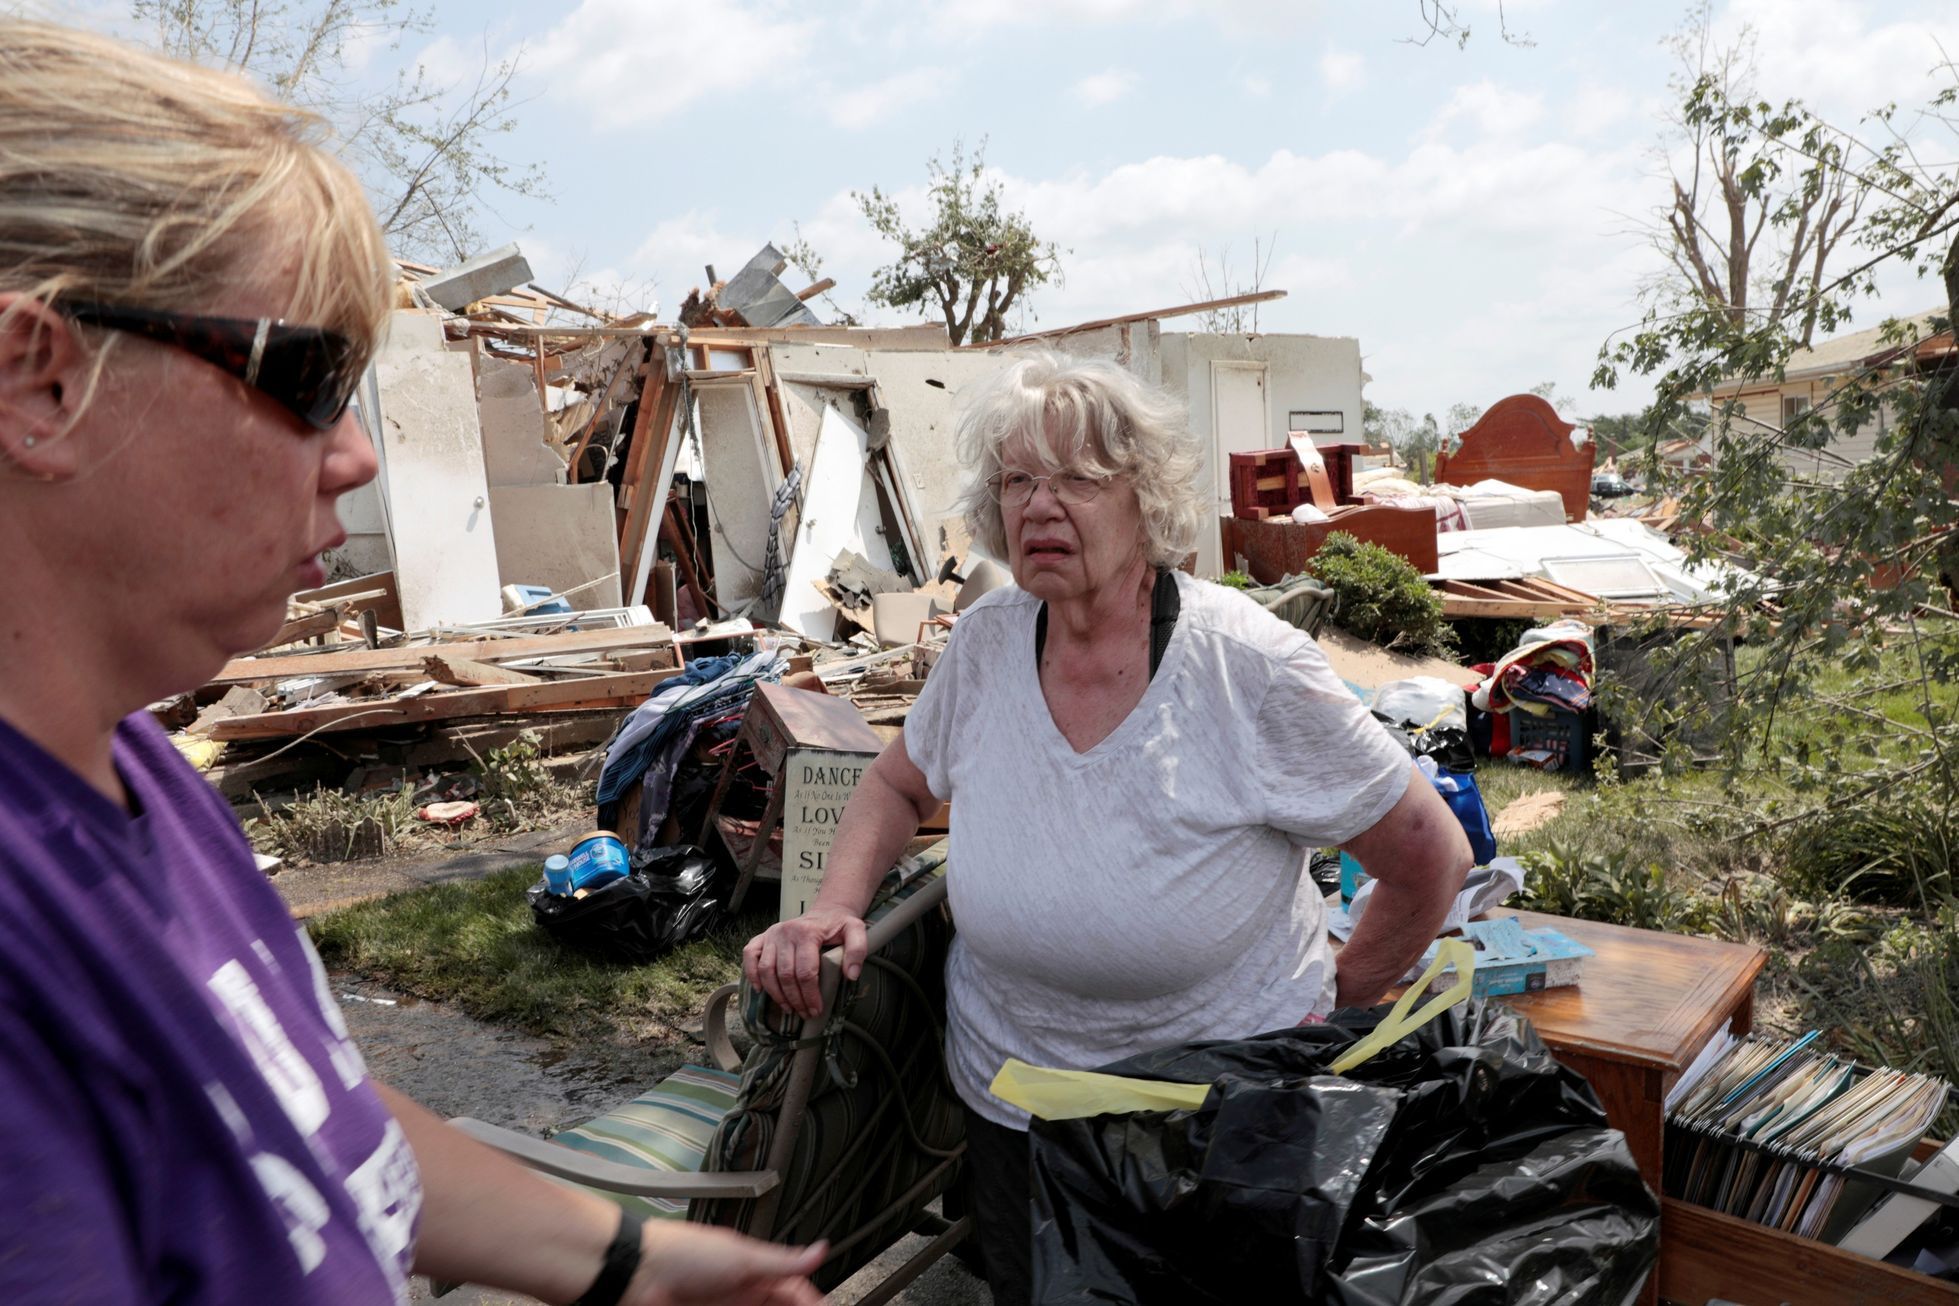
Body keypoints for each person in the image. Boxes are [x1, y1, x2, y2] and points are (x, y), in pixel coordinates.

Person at [0, 21, 822, 1306]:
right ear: (40, 383)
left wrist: (628, 1259)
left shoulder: (131, 774)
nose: (360, 454)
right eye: (313, 376)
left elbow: (298, 1099)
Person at [744, 351, 1473, 1304]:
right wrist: (833, 905)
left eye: (1080, 479)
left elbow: (1429, 855)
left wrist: (1341, 992)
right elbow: (894, 783)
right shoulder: (987, 641)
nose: (1040, 507)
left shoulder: (1243, 665)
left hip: (1209, 1128)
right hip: (1012, 1104)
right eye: (1017, 481)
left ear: (1148, 500)